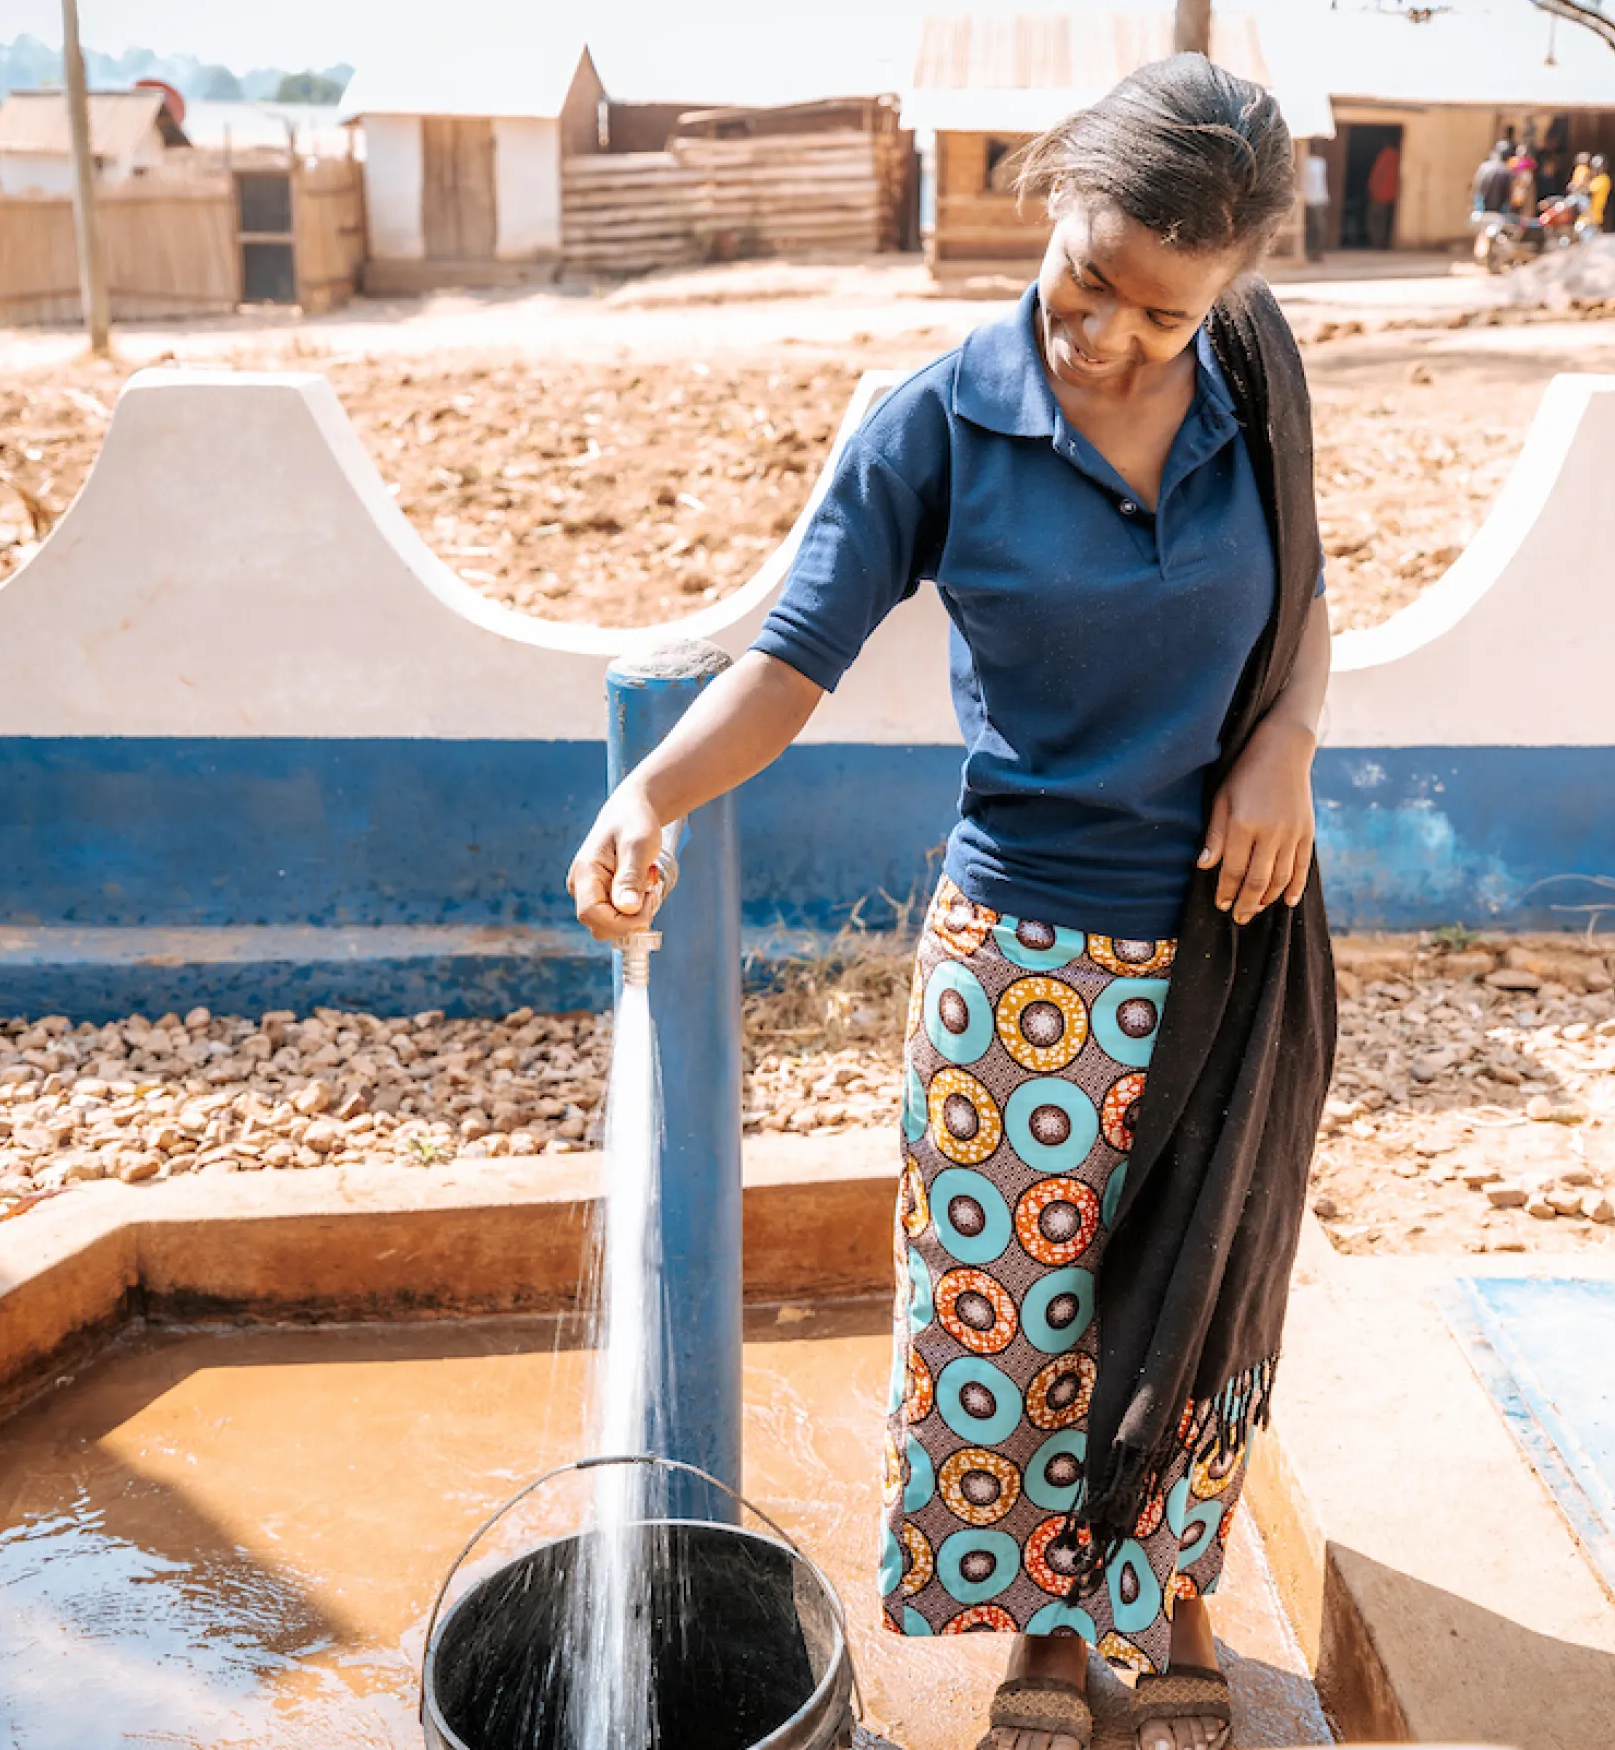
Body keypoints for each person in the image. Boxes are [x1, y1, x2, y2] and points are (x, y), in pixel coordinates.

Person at [566, 52, 1336, 1750]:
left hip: (1231, 937)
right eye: (1089, 279)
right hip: (1026, 960)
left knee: (1203, 1292)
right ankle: (1044, 1628)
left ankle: (1173, 1599)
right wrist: (648, 793)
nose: (1109, 336)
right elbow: (789, 664)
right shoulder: (936, 424)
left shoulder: (1253, 385)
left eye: (1162, 313)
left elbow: (1302, 601)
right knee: (1011, 1307)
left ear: (1227, 296)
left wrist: (1285, 743)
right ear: (1054, 200)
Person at [1365, 137, 1400, 247]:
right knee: (1385, 219)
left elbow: (1377, 175)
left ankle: (1377, 241)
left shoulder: (1385, 156)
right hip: (1391, 195)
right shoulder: (1397, 157)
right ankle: (1382, 240)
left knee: (1375, 218)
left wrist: (1371, 189)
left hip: (1379, 194)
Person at [1472, 140, 1517, 217]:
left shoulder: (1484, 167)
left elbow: (1476, 188)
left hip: (1481, 210)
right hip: (1496, 212)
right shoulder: (1505, 171)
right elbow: (1508, 195)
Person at [1586, 152, 1615, 236]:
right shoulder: (1595, 180)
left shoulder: (1604, 179)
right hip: (1587, 216)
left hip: (1594, 216)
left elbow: (1588, 191)